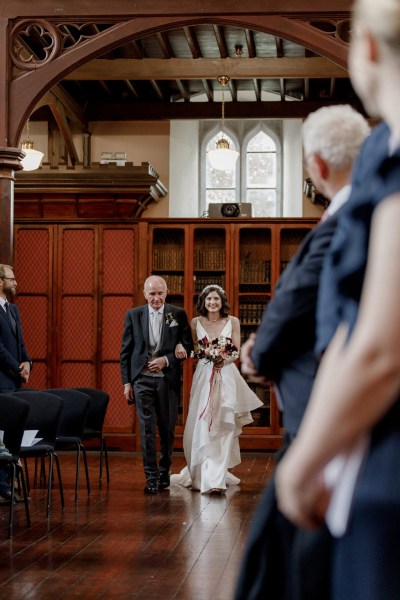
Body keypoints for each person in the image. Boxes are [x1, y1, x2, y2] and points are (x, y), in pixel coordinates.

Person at [275, 0, 400, 598]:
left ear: (368, 47)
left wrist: (303, 462)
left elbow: (380, 348)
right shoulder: (378, 158)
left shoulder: (393, 166)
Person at [235, 105, 370, 600]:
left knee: (277, 568)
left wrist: (259, 354)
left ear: (315, 165)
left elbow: (296, 301)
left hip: (322, 418)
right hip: (328, 409)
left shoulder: (345, 221)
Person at [171, 284, 262, 495]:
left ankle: (216, 478)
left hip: (227, 374)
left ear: (222, 302)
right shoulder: (195, 323)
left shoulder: (233, 321)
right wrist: (181, 347)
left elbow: (236, 350)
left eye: (216, 299)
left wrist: (223, 358)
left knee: (224, 421)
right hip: (204, 375)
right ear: (203, 302)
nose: (212, 303)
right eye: (208, 299)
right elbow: (187, 344)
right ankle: (203, 472)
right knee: (203, 422)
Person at [120, 275, 193, 494]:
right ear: (145, 294)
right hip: (141, 380)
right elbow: (126, 352)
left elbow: (188, 347)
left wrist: (167, 359)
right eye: (152, 294)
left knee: (167, 428)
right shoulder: (133, 315)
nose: (156, 298)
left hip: (167, 381)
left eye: (160, 293)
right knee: (147, 429)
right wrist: (127, 383)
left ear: (166, 292)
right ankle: (150, 476)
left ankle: (165, 470)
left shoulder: (177, 314)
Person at [0, 263, 32, 503]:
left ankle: (9, 483)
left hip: (15, 382)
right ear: (0, 282)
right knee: (1, 435)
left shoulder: (13, 309)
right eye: (11, 279)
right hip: (2, 381)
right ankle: (2, 487)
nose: (15, 282)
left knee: (12, 434)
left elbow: (20, 344)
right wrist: (16, 367)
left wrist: (27, 363)